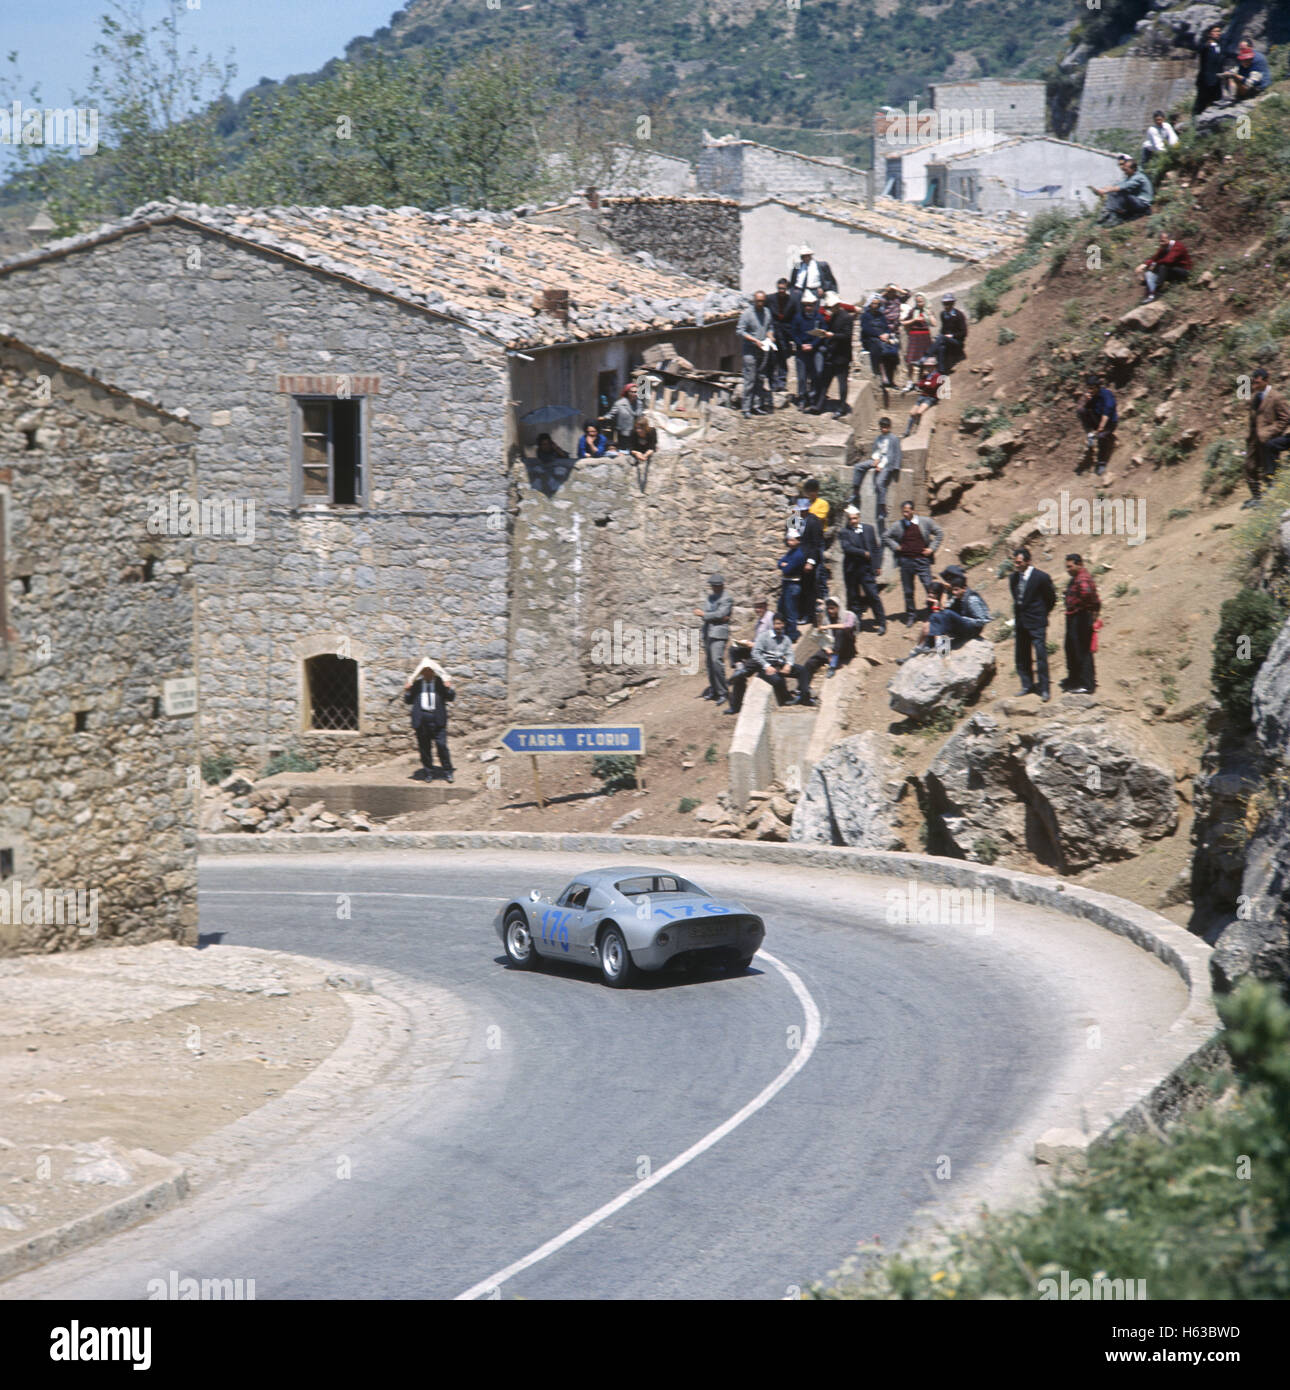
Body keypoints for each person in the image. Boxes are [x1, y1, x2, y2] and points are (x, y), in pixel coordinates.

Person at [900, 567, 989, 662]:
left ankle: (940, 651)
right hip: (962, 626)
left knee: (945, 615)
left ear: (964, 588)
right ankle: (926, 649)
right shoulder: (958, 596)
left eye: (956, 590)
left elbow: (983, 620)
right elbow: (945, 609)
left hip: (972, 629)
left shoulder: (972, 599)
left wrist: (963, 619)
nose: (954, 592)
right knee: (936, 617)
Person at [1008, 547, 1057, 701]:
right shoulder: (1013, 578)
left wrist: (1041, 613)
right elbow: (1017, 600)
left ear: (1028, 561)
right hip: (1021, 622)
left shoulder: (1041, 577)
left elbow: (1051, 599)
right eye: (1015, 562)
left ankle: (1044, 689)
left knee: (1041, 655)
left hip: (1036, 622)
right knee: (1022, 655)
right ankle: (1027, 684)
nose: (1017, 565)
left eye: (1019, 562)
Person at [884, 500, 943, 626]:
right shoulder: (898, 525)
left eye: (907, 511)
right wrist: (896, 547)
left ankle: (933, 611)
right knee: (908, 591)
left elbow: (939, 532)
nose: (905, 514)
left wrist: (932, 548)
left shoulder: (925, 522)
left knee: (929, 586)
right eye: (903, 512)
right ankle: (911, 614)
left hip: (922, 560)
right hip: (906, 562)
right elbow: (886, 536)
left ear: (913, 510)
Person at [403, 657, 456, 782]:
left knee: (441, 746)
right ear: (421, 673)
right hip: (422, 720)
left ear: (433, 671)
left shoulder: (439, 683)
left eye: (429, 671)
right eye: (424, 671)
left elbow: (450, 698)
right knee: (424, 748)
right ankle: (428, 772)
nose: (427, 673)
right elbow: (408, 701)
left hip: (437, 718)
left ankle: (447, 771)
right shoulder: (417, 684)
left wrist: (449, 688)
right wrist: (407, 691)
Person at [1244, 366, 1290, 505]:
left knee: (1268, 468)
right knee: (1249, 466)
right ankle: (1256, 497)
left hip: (1268, 439)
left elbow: (1286, 418)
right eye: (1253, 382)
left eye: (1257, 382)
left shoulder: (1276, 397)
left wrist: (1271, 432)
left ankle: (1271, 497)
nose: (1254, 385)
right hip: (1254, 438)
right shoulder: (1255, 397)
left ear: (1266, 381)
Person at [838, 506, 886, 634]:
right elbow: (846, 548)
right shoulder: (844, 532)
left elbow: (875, 548)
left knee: (872, 594)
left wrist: (877, 565)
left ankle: (881, 622)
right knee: (853, 597)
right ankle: (855, 623)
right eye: (850, 519)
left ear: (859, 517)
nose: (853, 521)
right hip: (851, 570)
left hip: (866, 568)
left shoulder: (869, 529)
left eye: (855, 518)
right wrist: (863, 553)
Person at [749, 611, 810, 707]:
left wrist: (788, 665)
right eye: (777, 623)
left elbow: (790, 654)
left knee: (802, 671)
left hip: (779, 664)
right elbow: (755, 653)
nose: (779, 626)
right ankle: (786, 699)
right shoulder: (764, 636)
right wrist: (766, 666)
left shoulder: (785, 639)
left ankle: (805, 697)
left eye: (781, 624)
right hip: (765, 667)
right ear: (773, 624)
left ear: (784, 624)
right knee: (778, 680)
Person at [853, 417, 902, 535]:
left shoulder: (894, 439)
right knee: (858, 467)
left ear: (889, 427)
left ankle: (881, 508)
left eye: (885, 427)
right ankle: (855, 493)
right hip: (878, 460)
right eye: (882, 427)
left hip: (887, 464)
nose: (883, 429)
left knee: (879, 483)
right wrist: (875, 459)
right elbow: (876, 451)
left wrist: (883, 465)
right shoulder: (879, 438)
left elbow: (893, 455)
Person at [800, 597, 858, 695]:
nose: (830, 611)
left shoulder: (849, 615)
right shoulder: (826, 619)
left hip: (847, 648)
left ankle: (833, 664)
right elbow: (821, 638)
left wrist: (827, 627)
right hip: (831, 648)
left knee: (840, 632)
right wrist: (827, 649)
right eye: (829, 609)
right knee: (810, 662)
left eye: (832, 608)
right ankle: (803, 691)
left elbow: (847, 626)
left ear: (838, 608)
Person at [1062, 554, 1100, 694]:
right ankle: (1075, 679)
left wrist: (1080, 607)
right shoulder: (1076, 578)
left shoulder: (1082, 579)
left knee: (1082, 650)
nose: (1068, 569)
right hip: (1075, 617)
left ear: (1079, 564)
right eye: (1067, 567)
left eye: (1070, 566)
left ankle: (1087, 684)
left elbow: (1088, 595)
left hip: (1081, 618)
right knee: (1071, 648)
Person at [813, 291, 854, 415]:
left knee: (842, 383)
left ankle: (841, 407)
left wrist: (833, 336)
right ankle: (818, 406)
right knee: (825, 382)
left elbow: (847, 336)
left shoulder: (846, 317)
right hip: (832, 354)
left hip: (842, 356)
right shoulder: (833, 316)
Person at [695, 573, 733, 704]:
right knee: (710, 664)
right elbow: (717, 615)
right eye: (713, 586)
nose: (714, 588)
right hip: (708, 632)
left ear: (722, 585)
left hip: (718, 634)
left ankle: (723, 692)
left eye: (717, 586)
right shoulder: (710, 597)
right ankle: (714, 689)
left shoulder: (727, 598)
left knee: (717, 662)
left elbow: (721, 613)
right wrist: (714, 616)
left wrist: (706, 614)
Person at [737, 289, 775, 417]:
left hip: (763, 350)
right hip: (750, 351)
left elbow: (770, 327)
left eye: (762, 301)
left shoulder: (766, 312)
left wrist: (770, 336)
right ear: (754, 300)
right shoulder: (747, 314)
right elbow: (740, 331)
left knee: (760, 378)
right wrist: (754, 340)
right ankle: (746, 408)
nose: (760, 303)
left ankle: (757, 406)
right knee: (750, 379)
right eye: (758, 301)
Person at [1093, 155, 1153, 227]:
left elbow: (1122, 187)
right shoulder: (1130, 177)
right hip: (1137, 202)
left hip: (1143, 204)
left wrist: (1105, 191)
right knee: (1114, 192)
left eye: (1126, 170)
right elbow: (1116, 185)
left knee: (1121, 192)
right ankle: (1109, 213)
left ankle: (1112, 214)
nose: (1124, 172)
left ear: (1133, 169)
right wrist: (1102, 190)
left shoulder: (1138, 178)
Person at [1076, 374, 1117, 477]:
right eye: (1088, 388)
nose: (1090, 390)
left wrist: (1100, 429)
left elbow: (1107, 413)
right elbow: (1083, 409)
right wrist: (1086, 400)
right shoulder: (1092, 396)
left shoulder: (1106, 395)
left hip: (1109, 423)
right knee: (1081, 410)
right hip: (1097, 420)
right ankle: (1089, 432)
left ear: (1097, 386)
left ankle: (1101, 462)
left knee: (1101, 437)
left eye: (1091, 388)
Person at [791, 290, 827, 408]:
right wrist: (801, 344)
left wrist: (813, 345)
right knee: (802, 377)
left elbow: (822, 334)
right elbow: (794, 333)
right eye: (806, 305)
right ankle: (802, 398)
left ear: (814, 305)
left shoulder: (819, 318)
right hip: (801, 351)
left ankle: (812, 397)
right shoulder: (798, 317)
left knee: (816, 374)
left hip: (814, 350)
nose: (808, 308)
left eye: (810, 305)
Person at [1136, 232, 1192, 302]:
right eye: (1160, 241)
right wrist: (1144, 265)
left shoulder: (1177, 246)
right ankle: (1150, 290)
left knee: (1163, 266)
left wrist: (1154, 265)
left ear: (1169, 239)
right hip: (1173, 271)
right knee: (1153, 269)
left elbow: (1168, 261)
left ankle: (1157, 288)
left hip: (1184, 272)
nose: (1161, 243)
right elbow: (1155, 257)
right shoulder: (1164, 247)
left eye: (1163, 241)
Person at [860, 295, 900, 388]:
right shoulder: (865, 316)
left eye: (877, 304)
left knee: (893, 352)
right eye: (873, 304)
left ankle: (891, 379)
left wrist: (886, 334)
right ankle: (882, 375)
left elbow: (886, 328)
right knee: (878, 349)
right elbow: (866, 329)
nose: (875, 306)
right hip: (870, 339)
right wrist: (879, 335)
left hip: (883, 338)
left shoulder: (881, 315)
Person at [776, 527, 809, 640]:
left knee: (791, 611)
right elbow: (780, 563)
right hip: (787, 584)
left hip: (793, 585)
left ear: (798, 541)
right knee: (782, 608)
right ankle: (785, 631)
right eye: (789, 540)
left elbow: (787, 569)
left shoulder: (798, 555)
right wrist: (783, 564)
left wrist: (785, 565)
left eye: (792, 540)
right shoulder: (791, 552)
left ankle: (792, 634)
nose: (789, 542)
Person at [768, 278, 799, 393]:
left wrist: (792, 336)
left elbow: (795, 318)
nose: (781, 291)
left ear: (787, 289)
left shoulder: (792, 300)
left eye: (783, 289)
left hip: (785, 333)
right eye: (779, 288)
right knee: (772, 359)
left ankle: (781, 383)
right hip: (773, 332)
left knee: (782, 358)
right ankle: (773, 384)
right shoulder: (770, 299)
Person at [1188, 22, 1226, 116]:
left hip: (1217, 80)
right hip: (1205, 81)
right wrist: (1207, 43)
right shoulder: (1206, 46)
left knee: (1216, 103)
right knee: (1200, 104)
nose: (1218, 33)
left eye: (1219, 31)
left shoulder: (1220, 47)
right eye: (1216, 31)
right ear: (1210, 34)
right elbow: (1199, 50)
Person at [903, 356, 945, 438]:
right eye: (927, 366)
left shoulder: (938, 376)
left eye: (929, 366)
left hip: (931, 397)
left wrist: (925, 384)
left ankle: (916, 430)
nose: (927, 368)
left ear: (933, 366)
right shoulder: (926, 376)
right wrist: (926, 383)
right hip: (923, 396)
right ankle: (907, 431)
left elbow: (933, 386)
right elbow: (920, 385)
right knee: (912, 413)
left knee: (919, 412)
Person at [1221, 40, 1270, 104]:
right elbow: (1236, 69)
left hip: (1259, 86)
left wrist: (1239, 77)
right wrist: (1228, 73)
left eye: (1243, 49)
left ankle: (1232, 98)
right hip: (1248, 82)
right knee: (1228, 77)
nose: (1241, 51)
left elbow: (1250, 82)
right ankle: (1227, 98)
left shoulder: (1257, 60)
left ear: (1251, 48)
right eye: (1240, 49)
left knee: (1233, 78)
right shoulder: (1243, 59)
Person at [900, 292, 933, 383]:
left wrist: (929, 315)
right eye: (917, 302)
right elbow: (903, 322)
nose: (919, 304)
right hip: (914, 337)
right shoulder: (913, 311)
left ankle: (919, 381)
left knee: (923, 360)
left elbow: (934, 323)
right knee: (910, 360)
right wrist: (914, 320)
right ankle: (910, 382)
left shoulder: (927, 312)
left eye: (921, 302)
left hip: (925, 337)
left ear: (925, 301)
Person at [934, 293, 968, 374]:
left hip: (957, 341)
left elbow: (964, 332)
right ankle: (942, 370)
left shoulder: (959, 315)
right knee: (941, 347)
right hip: (946, 340)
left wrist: (951, 336)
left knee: (941, 339)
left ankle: (926, 356)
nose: (946, 306)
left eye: (948, 304)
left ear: (953, 304)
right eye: (944, 304)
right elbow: (943, 329)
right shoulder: (943, 314)